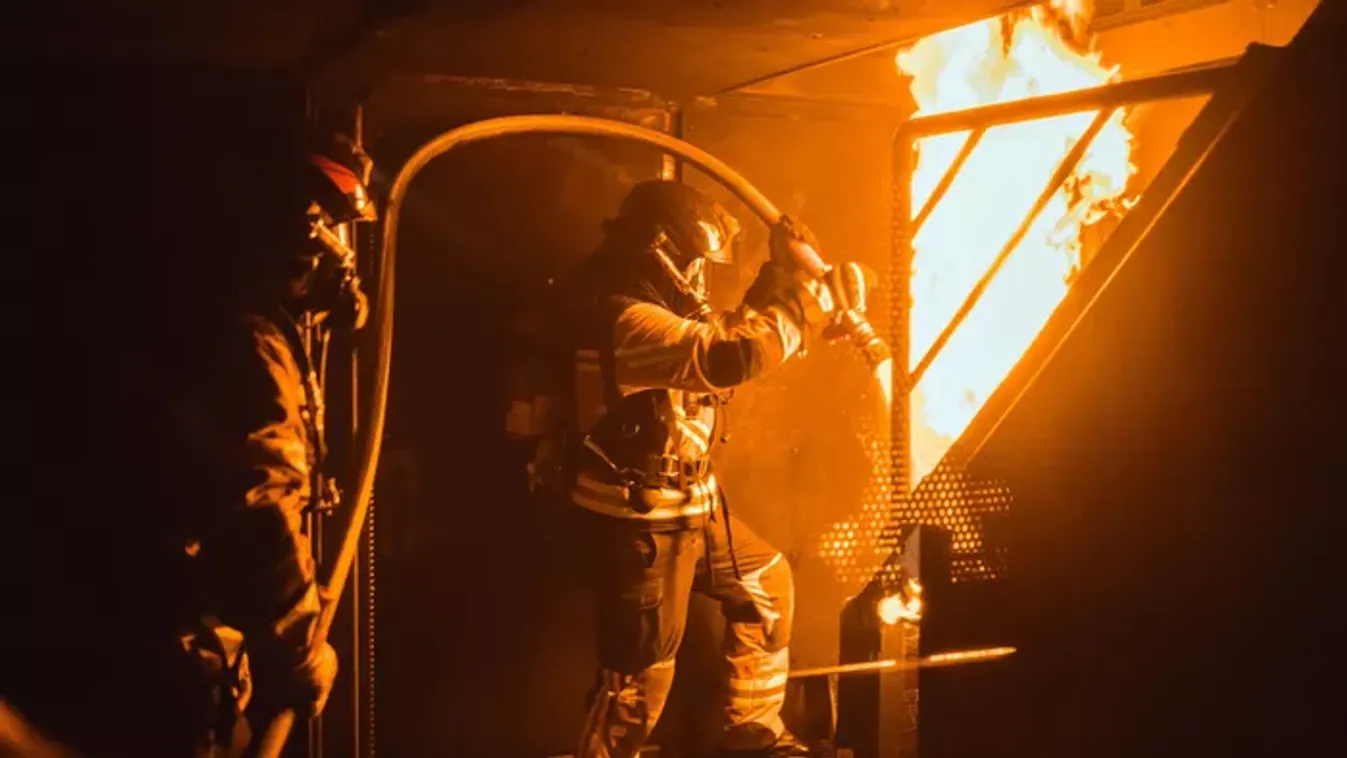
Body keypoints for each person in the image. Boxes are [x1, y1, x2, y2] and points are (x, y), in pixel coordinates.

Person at [7, 96, 374, 756]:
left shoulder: (194, 313)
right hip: (160, 664)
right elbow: (255, 499)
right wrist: (300, 649)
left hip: (122, 645)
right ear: (304, 227)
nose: (343, 256)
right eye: (336, 227)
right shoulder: (246, 342)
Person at [564, 180, 873, 758]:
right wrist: (809, 306)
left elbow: (730, 331)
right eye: (691, 264)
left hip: (692, 506)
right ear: (658, 251)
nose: (698, 279)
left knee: (766, 587)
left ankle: (752, 735)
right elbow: (722, 356)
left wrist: (777, 280)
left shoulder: (657, 306)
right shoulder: (625, 318)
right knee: (638, 682)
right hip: (642, 523)